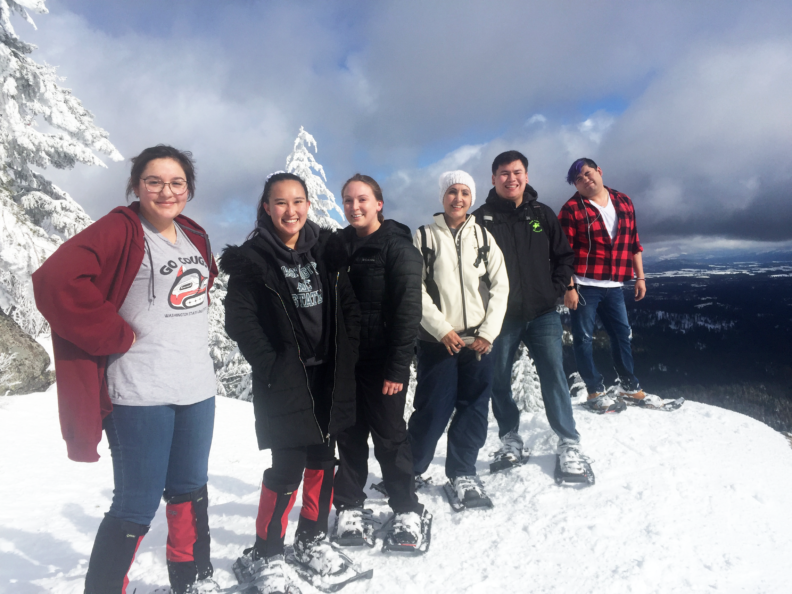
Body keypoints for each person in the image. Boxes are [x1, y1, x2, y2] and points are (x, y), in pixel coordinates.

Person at [32, 145, 219, 594]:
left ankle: (191, 580)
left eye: (176, 182)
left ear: (188, 189)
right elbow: (54, 280)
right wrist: (114, 334)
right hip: (140, 392)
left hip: (196, 386)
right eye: (153, 181)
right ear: (136, 186)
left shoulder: (192, 232)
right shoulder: (121, 228)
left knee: (190, 489)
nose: (165, 191)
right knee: (135, 503)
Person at [221, 172, 361, 593]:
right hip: (286, 378)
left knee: (323, 458)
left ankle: (311, 538)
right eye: (280, 202)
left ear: (308, 205)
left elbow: (348, 304)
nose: (290, 210)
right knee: (286, 468)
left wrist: (347, 350)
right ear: (266, 207)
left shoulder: (325, 250)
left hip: (327, 374)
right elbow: (240, 321)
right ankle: (267, 553)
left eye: (298, 201)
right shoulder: (253, 260)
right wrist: (271, 365)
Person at [471, 150, 587, 479]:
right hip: (500, 318)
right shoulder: (480, 220)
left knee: (553, 375)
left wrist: (553, 288)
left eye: (517, 172)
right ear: (493, 179)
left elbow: (563, 255)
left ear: (526, 175)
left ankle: (568, 440)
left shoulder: (542, 214)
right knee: (499, 380)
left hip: (542, 314)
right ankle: (510, 438)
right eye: (504, 173)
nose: (511, 178)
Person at [331, 173, 430, 551]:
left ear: (378, 203)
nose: (355, 207)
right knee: (349, 434)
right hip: (345, 363)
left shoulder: (397, 248)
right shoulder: (339, 245)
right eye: (348, 201)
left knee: (390, 436)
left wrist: (397, 368)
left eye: (362, 200)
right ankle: (350, 505)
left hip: (383, 362)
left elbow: (408, 313)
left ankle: (406, 507)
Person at [407, 170, 509, 507]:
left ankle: (463, 471)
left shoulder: (483, 237)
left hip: (478, 341)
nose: (459, 198)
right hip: (439, 341)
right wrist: (442, 329)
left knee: (474, 407)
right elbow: (414, 289)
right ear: (442, 196)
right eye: (452, 192)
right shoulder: (423, 237)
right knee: (432, 408)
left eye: (465, 192)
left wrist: (488, 332)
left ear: (472, 197)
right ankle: (411, 470)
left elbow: (500, 287)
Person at [559, 158, 650, 412]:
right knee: (583, 338)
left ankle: (628, 386)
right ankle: (594, 391)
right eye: (579, 179)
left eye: (588, 174)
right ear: (575, 185)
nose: (586, 180)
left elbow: (634, 242)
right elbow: (562, 253)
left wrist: (639, 276)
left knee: (622, 335)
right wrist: (569, 287)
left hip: (614, 284)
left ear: (599, 172)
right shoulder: (571, 210)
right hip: (583, 284)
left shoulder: (623, 201)